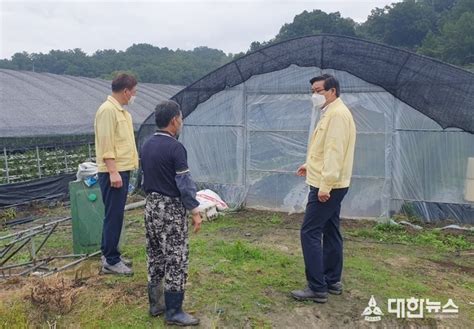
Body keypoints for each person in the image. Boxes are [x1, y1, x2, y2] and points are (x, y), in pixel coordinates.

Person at [291, 74, 356, 303]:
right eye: (312, 91)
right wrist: (309, 165)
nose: (314, 95)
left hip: (327, 186)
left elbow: (335, 153)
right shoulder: (331, 113)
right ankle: (332, 280)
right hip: (330, 182)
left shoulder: (337, 115)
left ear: (333, 91)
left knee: (309, 232)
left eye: (318, 91)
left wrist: (325, 186)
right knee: (331, 230)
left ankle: (317, 287)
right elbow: (325, 148)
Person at [141, 100, 202, 326]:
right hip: (170, 210)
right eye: (181, 117)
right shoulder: (176, 148)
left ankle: (156, 303)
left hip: (151, 207)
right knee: (176, 258)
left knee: (155, 254)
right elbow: (184, 184)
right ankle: (174, 311)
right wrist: (195, 211)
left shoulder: (147, 144)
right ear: (175, 120)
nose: (181, 121)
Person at [94, 73, 138, 275]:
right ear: (126, 91)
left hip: (122, 170)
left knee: (114, 215)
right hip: (114, 172)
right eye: (134, 91)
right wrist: (113, 171)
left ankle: (109, 254)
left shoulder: (123, 113)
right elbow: (106, 143)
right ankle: (111, 260)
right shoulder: (107, 111)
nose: (134, 96)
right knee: (114, 216)